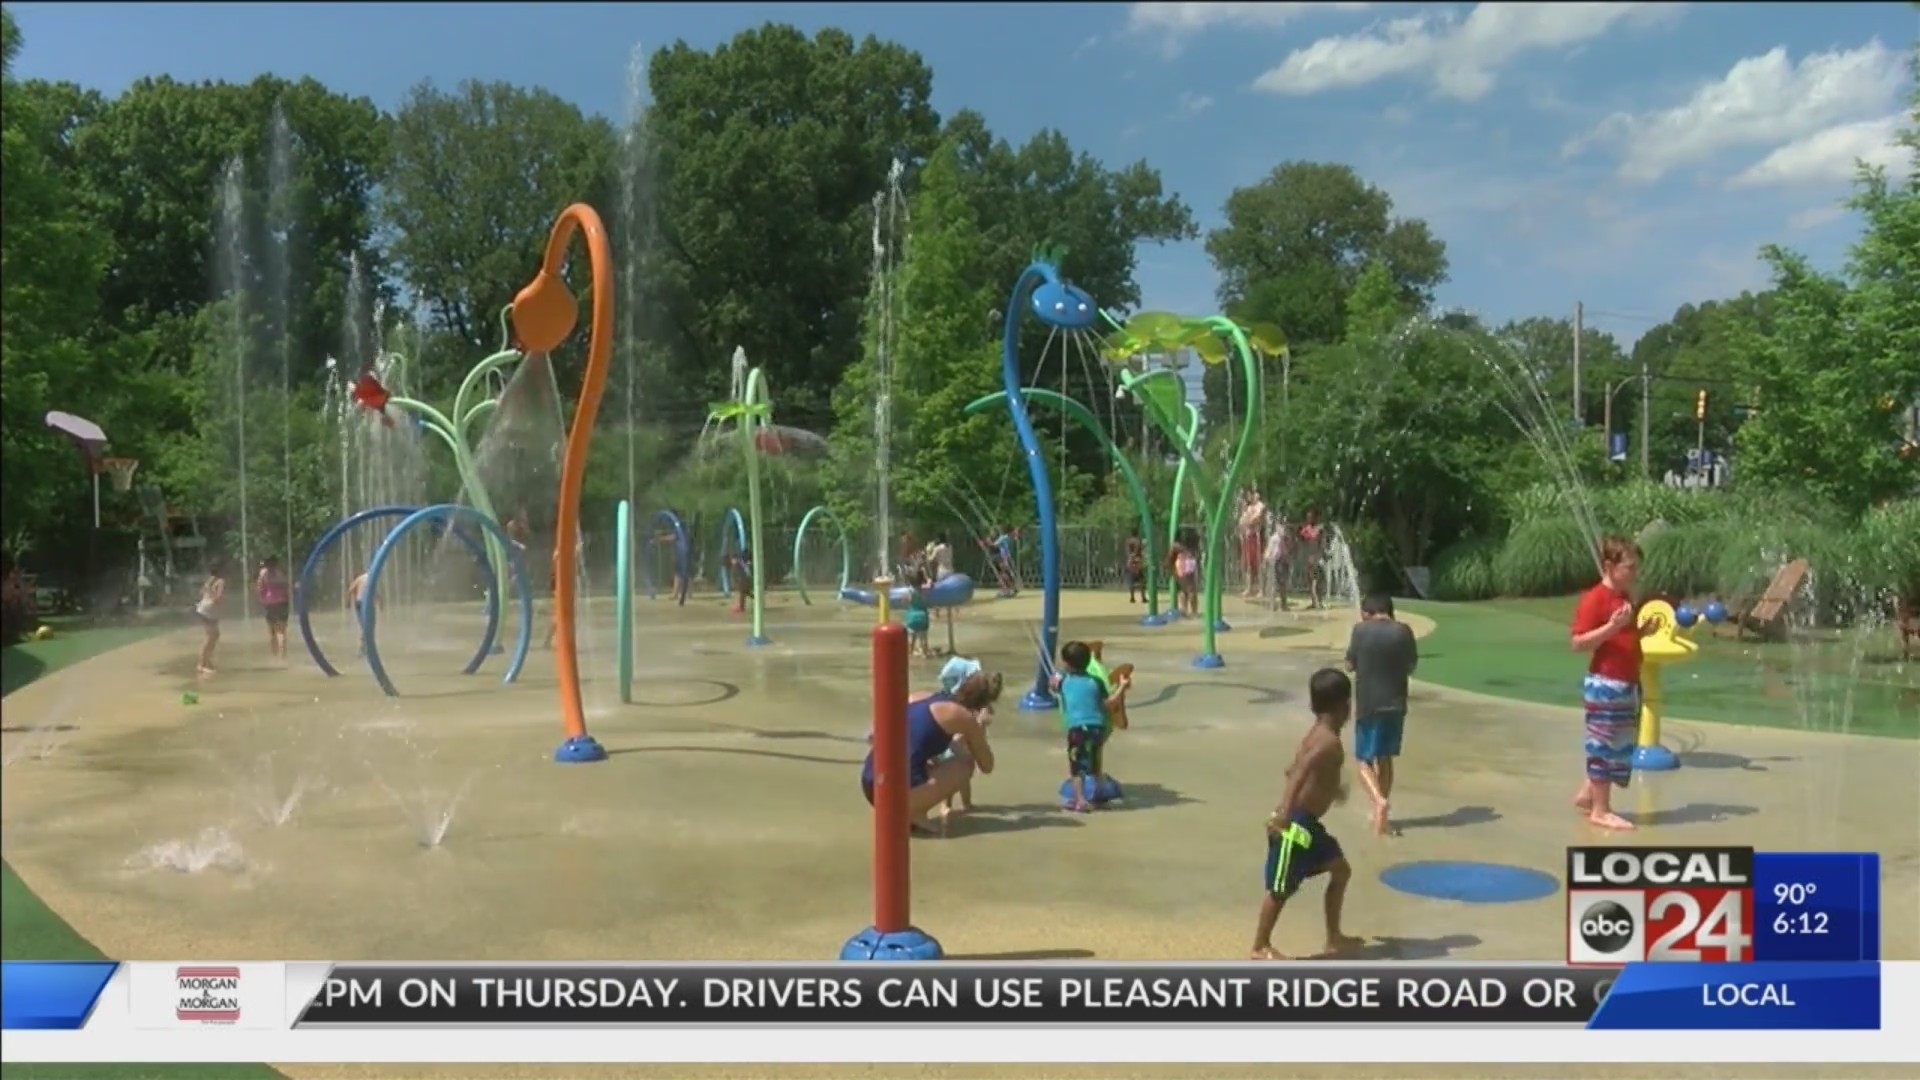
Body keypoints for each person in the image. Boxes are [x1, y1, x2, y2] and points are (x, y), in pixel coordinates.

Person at [1250, 668, 1364, 961]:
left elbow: (1294, 768)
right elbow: (1299, 772)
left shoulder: (1318, 735)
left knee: (1341, 870)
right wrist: (1285, 814)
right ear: (1345, 707)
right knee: (1280, 887)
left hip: (1309, 823)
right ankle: (1260, 945)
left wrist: (1329, 789)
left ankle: (1334, 938)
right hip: (1295, 823)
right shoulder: (1328, 742)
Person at [858, 665, 1001, 836]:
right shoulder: (963, 717)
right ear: (983, 704)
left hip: (870, 781)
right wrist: (980, 725)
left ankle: (910, 805)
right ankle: (912, 812)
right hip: (893, 795)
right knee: (965, 765)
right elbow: (987, 765)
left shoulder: (923, 697)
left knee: (928, 756)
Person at [1570, 537, 1647, 832]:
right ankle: (1601, 810)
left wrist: (1640, 629)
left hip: (1625, 681)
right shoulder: (1596, 599)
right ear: (1609, 566)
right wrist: (1611, 627)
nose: (1635, 573)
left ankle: (1588, 794)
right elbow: (1577, 643)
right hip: (1605, 684)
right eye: (1629, 567)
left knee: (1618, 744)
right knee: (1602, 745)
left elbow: (1622, 638)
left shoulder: (1624, 598)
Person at [1344, 594, 1418, 836]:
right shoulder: (1404, 631)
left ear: (1367, 612)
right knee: (1385, 757)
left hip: (1369, 705)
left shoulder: (1360, 630)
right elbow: (1411, 666)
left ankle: (1379, 801)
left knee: (1363, 760)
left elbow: (1349, 665)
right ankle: (1381, 816)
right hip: (1396, 704)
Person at [1052, 640, 1132, 813]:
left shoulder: (1064, 682)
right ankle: (1098, 799)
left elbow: (1053, 688)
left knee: (1076, 767)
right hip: (1097, 728)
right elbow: (1108, 704)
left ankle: (1081, 801)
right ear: (1089, 662)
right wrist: (1122, 687)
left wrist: (1053, 682)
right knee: (1094, 765)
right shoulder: (1096, 682)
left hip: (1077, 730)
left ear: (1066, 663)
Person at [194, 560, 229, 677]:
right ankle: (202, 664)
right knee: (210, 637)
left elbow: (201, 591)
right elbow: (218, 598)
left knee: (214, 635)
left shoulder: (210, 579)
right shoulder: (220, 581)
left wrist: (208, 593)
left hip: (204, 608)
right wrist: (219, 599)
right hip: (209, 609)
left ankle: (207, 661)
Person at [257, 556, 292, 660]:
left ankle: (274, 656)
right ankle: (283, 656)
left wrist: (261, 600)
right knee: (282, 631)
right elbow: (287, 588)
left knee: (272, 632)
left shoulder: (263, 573)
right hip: (282, 603)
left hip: (269, 604)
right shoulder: (281, 573)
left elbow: (259, 588)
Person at [1238, 490, 1267, 598]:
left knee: (1259, 563)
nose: (1248, 497)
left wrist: (1248, 521)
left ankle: (1261, 589)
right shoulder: (1248, 508)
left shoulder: (1260, 506)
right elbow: (1242, 522)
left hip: (1257, 537)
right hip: (1248, 537)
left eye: (1250, 494)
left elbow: (1255, 520)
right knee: (1248, 564)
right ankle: (1249, 588)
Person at [1264, 512, 1291, 611]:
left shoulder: (1284, 538)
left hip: (1282, 562)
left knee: (1282, 584)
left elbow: (1286, 550)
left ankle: (1283, 604)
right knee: (1275, 584)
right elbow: (1269, 549)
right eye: (1281, 527)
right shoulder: (1275, 538)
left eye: (1284, 527)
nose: (1283, 529)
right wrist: (1267, 558)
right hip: (1275, 561)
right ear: (1277, 527)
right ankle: (1273, 604)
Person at [1298, 511, 1325, 610]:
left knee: (1316, 581)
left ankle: (1317, 602)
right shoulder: (1306, 530)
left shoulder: (1318, 529)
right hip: (1310, 557)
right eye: (1307, 517)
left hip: (1315, 557)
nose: (1309, 519)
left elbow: (1322, 544)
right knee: (1311, 581)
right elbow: (1302, 542)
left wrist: (1320, 555)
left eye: (1310, 517)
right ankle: (1316, 602)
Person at [904, 568, 933, 659]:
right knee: (923, 639)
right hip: (923, 617)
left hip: (912, 617)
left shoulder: (910, 591)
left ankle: (910, 653)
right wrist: (926, 576)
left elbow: (906, 601)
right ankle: (924, 653)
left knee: (911, 640)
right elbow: (930, 584)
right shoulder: (924, 589)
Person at [1123, 531, 1146, 604]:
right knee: (1141, 579)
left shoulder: (1128, 541)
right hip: (1137, 560)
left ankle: (1132, 597)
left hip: (1130, 560)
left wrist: (1130, 557)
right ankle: (1143, 597)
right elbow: (1140, 550)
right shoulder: (1138, 541)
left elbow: (1127, 551)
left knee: (1131, 579)